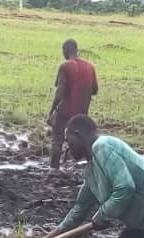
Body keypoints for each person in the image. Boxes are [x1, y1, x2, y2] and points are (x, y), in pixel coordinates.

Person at [48, 39, 97, 174]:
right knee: (87, 141)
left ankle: (54, 168)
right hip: (82, 114)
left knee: (57, 139)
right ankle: (93, 169)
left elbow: (60, 91)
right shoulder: (90, 67)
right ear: (77, 50)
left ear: (65, 50)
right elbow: (94, 90)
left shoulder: (65, 66)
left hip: (65, 111)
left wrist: (52, 111)